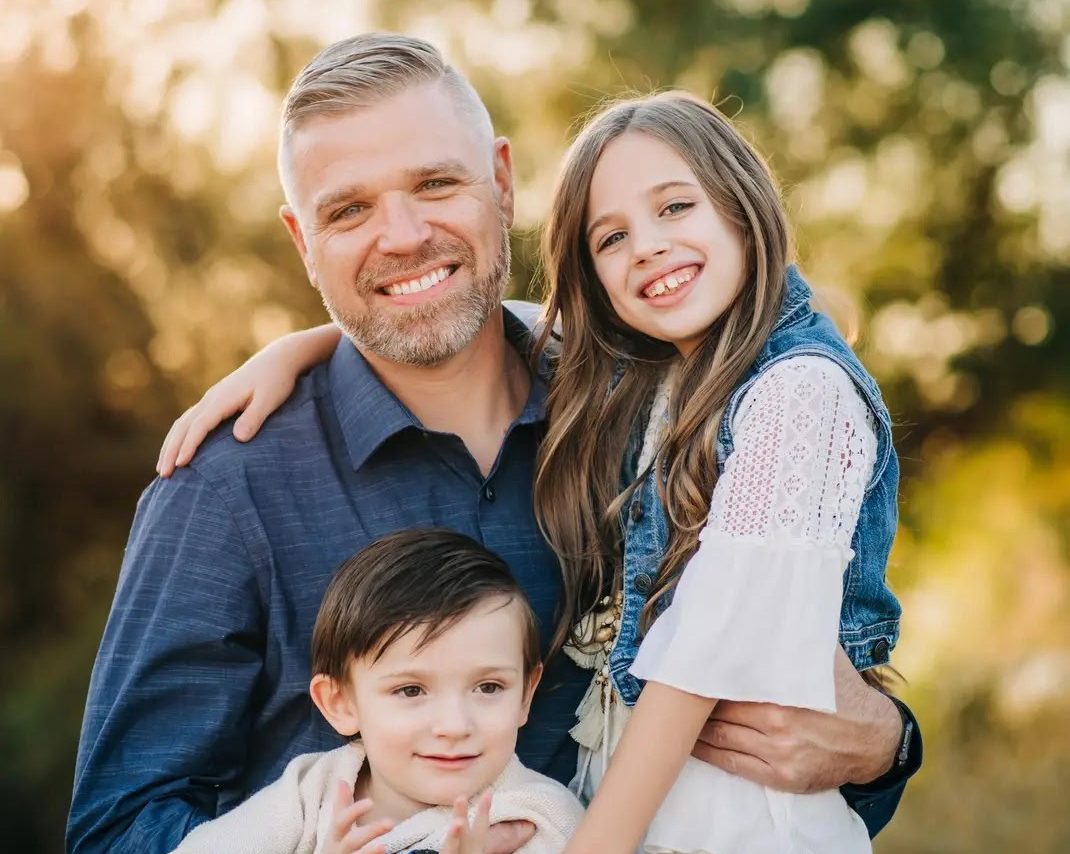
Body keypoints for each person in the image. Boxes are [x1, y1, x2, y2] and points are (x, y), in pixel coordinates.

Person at [71, 32, 918, 854]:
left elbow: (780, 690)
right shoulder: (226, 486)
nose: (401, 235)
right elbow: (115, 833)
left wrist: (886, 746)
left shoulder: (638, 411)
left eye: (436, 183)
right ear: (304, 243)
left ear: (502, 184)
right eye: (350, 209)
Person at [171, 528, 583, 854]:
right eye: (410, 690)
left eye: (489, 686)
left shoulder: (539, 818)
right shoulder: (312, 792)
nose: (454, 725)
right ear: (341, 703)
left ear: (526, 695)